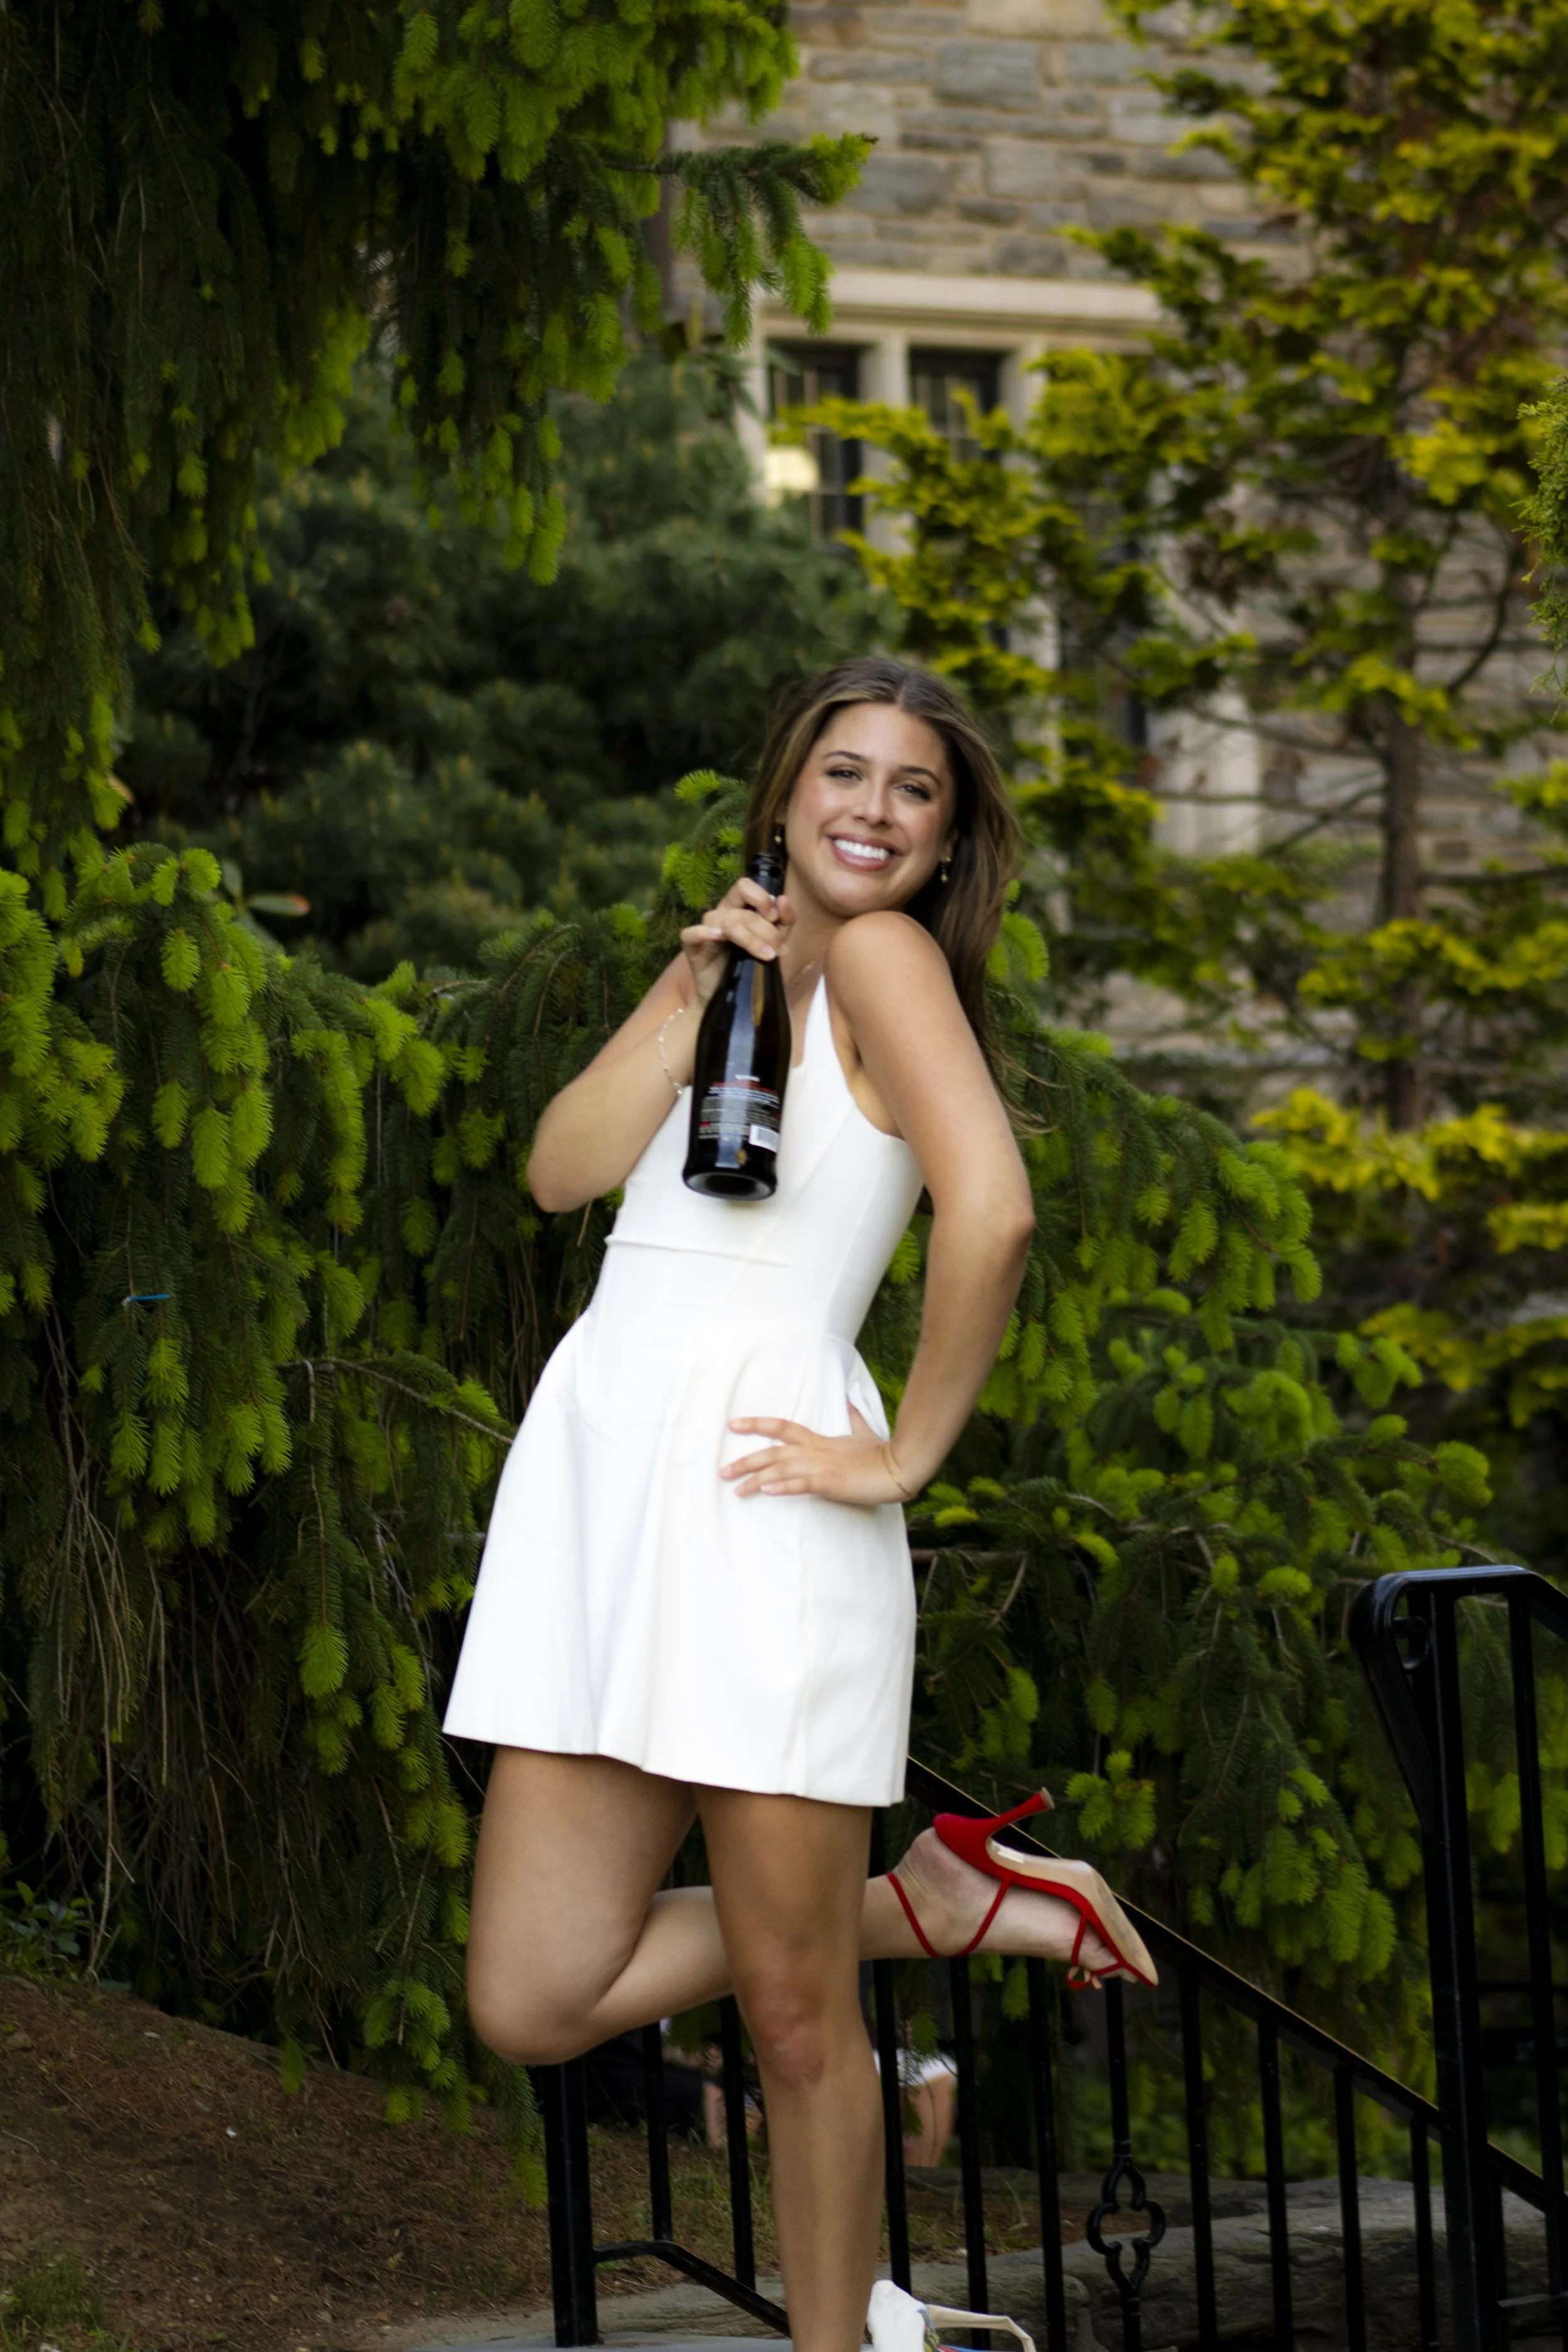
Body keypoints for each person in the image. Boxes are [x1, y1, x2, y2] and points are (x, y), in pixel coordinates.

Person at [445, 658, 1155, 2352]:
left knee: (793, 2013)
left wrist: (902, 1452)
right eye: (844, 771)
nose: (873, 808)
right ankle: (931, 1899)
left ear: (944, 839)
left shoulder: (896, 963)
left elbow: (991, 1209)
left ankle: (840, 2342)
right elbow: (558, 1169)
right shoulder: (745, 974)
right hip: (607, 1484)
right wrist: (694, 977)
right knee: (530, 1992)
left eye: (915, 789)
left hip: (769, 1499)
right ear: (782, 794)